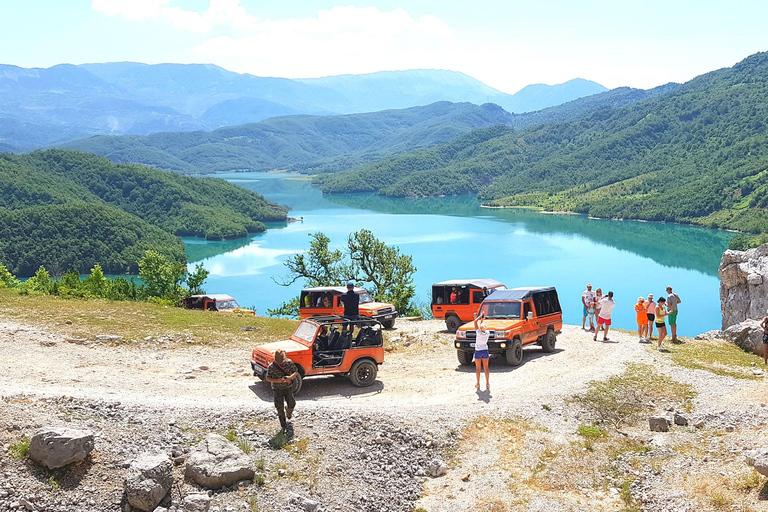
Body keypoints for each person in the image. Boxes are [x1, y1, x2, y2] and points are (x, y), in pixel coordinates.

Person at [265, 349, 298, 434]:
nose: (280, 363)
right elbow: (268, 378)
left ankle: (289, 412)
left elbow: (295, 372)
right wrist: (278, 380)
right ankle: (283, 425)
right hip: (277, 389)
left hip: (288, 387)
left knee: (292, 403)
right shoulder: (271, 367)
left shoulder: (289, 363)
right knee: (279, 407)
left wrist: (290, 378)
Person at [473, 311, 490, 390]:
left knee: (478, 369)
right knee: (486, 368)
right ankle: (487, 383)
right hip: (485, 350)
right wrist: (482, 320)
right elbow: (482, 327)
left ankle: (478, 383)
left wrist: (480, 316)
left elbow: (475, 321)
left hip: (478, 351)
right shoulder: (487, 333)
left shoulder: (478, 333)